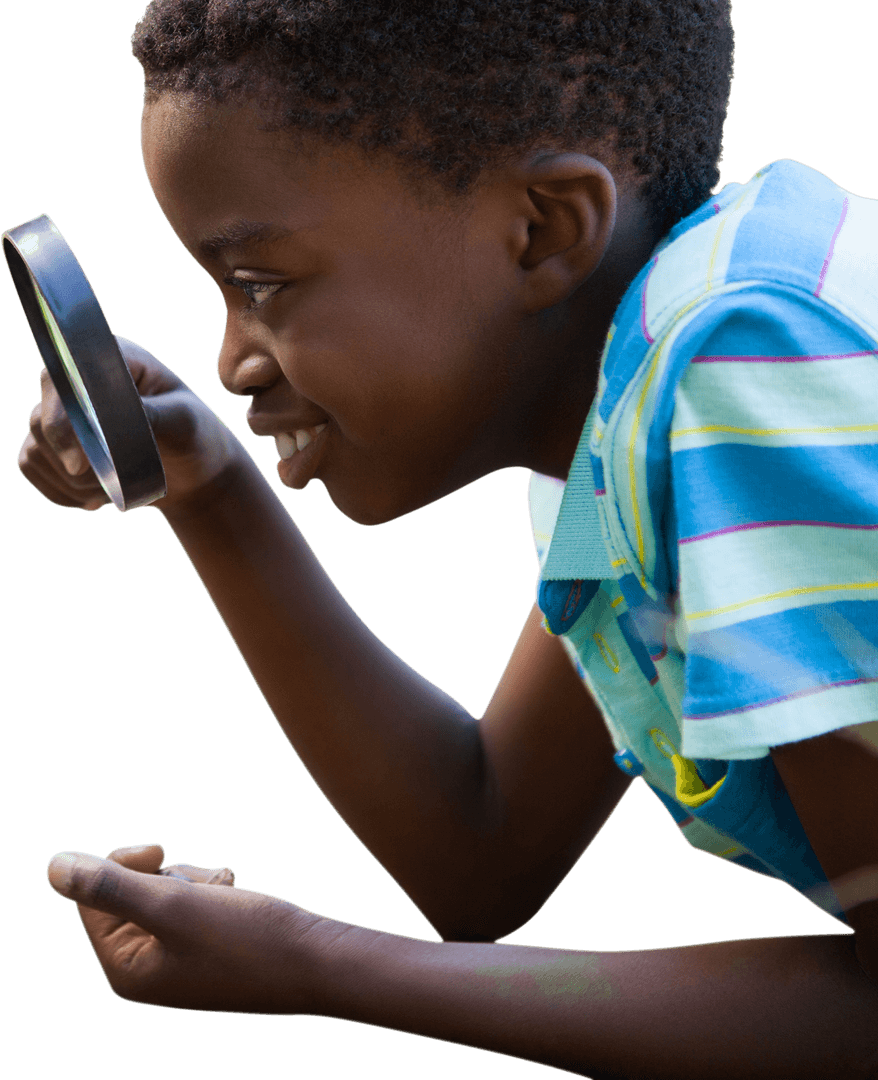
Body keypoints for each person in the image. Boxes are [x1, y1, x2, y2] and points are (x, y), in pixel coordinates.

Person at [18, 1, 878, 1077]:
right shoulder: (616, 438)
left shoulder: (740, 364)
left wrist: (318, 966)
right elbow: (482, 845)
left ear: (543, 228)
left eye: (263, 285)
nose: (235, 361)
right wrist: (211, 489)